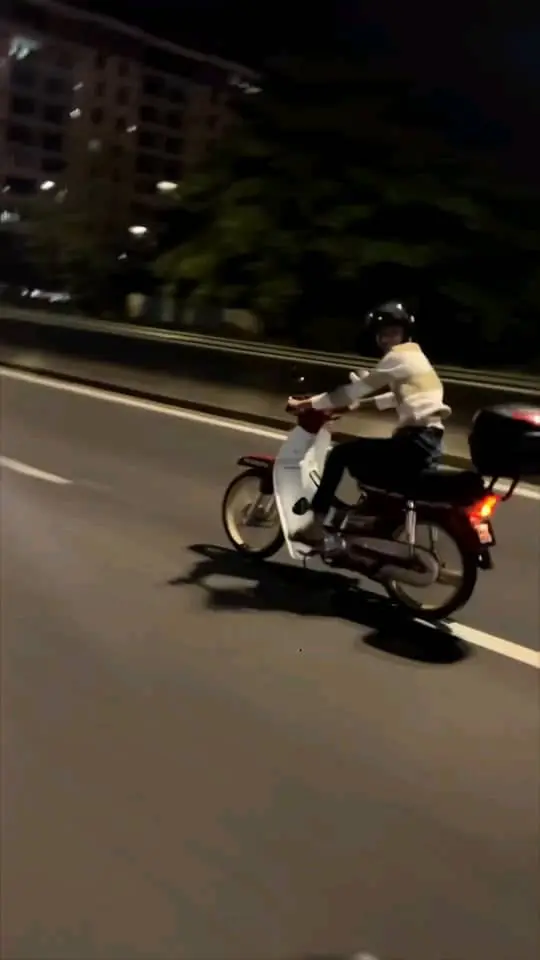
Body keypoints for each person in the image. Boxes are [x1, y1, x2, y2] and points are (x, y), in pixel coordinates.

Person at [287, 300, 451, 545]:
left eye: (393, 333)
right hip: (431, 442)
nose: (387, 340)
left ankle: (316, 525)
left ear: (405, 333)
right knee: (368, 470)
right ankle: (362, 522)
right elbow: (393, 398)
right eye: (382, 335)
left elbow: (350, 391)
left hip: (415, 440)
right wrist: (355, 406)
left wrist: (306, 404)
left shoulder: (398, 357)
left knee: (341, 454)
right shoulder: (416, 357)